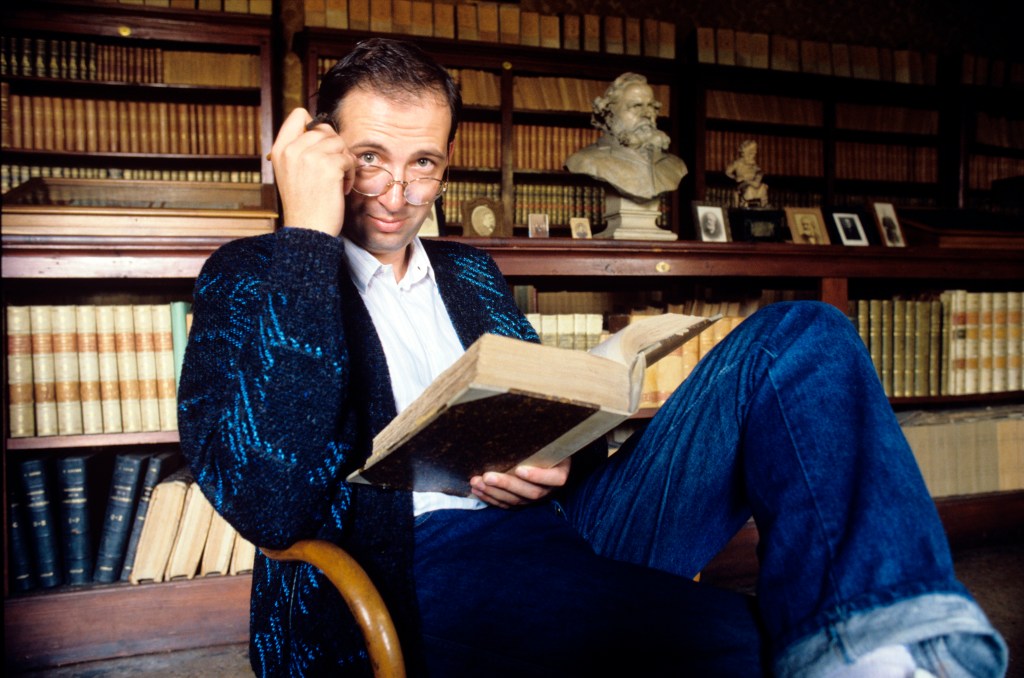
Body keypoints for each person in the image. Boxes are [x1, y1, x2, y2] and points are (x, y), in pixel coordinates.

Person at [177, 38, 1007, 677]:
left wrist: (552, 461)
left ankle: (890, 634)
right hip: (414, 567)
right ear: (320, 150)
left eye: (423, 162)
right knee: (743, 646)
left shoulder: (468, 271)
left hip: (561, 523)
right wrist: (305, 242)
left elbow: (541, 413)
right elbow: (269, 502)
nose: (397, 194)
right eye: (370, 161)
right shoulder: (253, 276)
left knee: (804, 336)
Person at [564, 72, 687, 202]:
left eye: (651, 105)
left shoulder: (676, 165)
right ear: (610, 115)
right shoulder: (586, 160)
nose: (647, 113)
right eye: (636, 106)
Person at [725, 139, 770, 208]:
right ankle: (744, 201)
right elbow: (728, 172)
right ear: (746, 152)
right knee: (750, 188)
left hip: (752, 182)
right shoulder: (738, 163)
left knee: (763, 187)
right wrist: (735, 177)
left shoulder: (754, 165)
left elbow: (759, 172)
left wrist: (759, 174)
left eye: (754, 152)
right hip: (742, 184)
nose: (754, 154)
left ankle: (764, 204)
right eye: (752, 152)